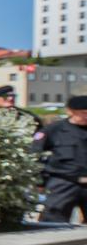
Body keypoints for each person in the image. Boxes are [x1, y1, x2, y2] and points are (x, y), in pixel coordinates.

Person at [34, 95, 87, 223]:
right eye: (83, 113)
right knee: (53, 224)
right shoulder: (54, 130)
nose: (86, 116)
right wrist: (40, 181)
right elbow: (35, 155)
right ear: (70, 111)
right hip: (62, 183)